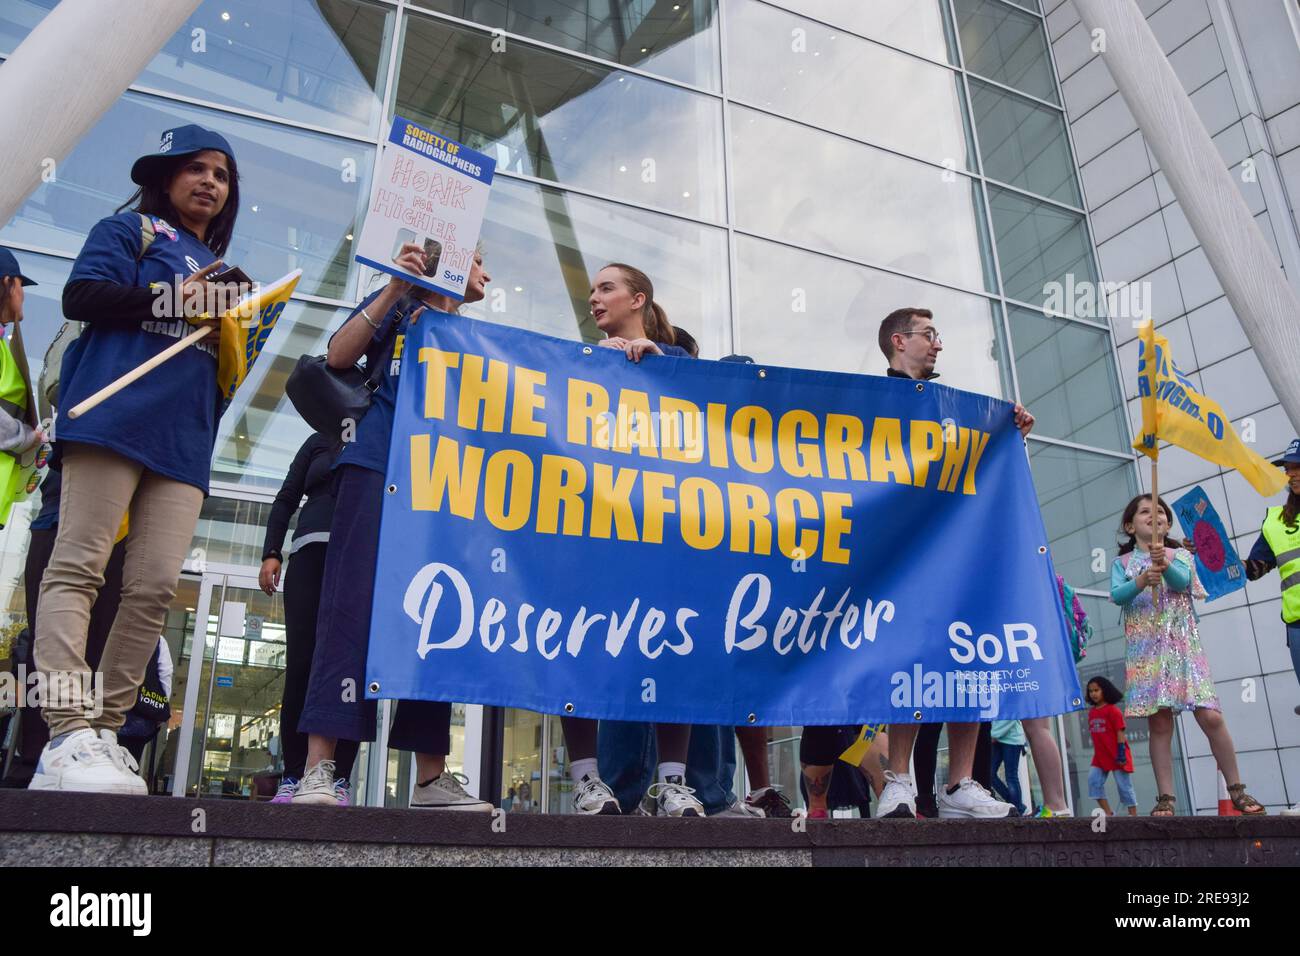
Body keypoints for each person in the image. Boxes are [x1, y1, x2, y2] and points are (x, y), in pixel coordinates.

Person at [30, 125, 240, 794]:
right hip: (113, 423)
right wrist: (173, 298)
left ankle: (109, 732)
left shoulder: (218, 267)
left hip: (182, 445)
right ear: (167, 175)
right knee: (78, 568)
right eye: (198, 169)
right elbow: (82, 297)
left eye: (223, 175)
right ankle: (65, 731)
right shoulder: (132, 233)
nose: (211, 182)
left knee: (151, 588)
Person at [294, 244, 492, 810]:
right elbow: (336, 357)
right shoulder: (399, 309)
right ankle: (319, 768)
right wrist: (396, 285)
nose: (487, 274)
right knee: (350, 607)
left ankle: (430, 778)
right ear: (448, 262)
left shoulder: (482, 339)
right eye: (478, 260)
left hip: (445, 482)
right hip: (378, 462)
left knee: (440, 613)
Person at [873, 307, 1033, 820]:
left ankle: (961, 783)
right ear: (899, 341)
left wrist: (1009, 436)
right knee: (910, 663)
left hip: (960, 556)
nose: (938, 344)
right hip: (906, 557)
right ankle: (899, 781)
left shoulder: (954, 408)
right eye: (929, 335)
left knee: (972, 657)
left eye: (938, 336)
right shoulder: (872, 402)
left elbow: (977, 466)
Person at [563, 263, 704, 817]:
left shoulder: (678, 363)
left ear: (637, 298)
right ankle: (586, 780)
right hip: (595, 527)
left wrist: (659, 359)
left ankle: (673, 782)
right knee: (575, 641)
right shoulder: (576, 363)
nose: (593, 298)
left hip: (661, 530)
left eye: (606, 288)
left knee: (671, 641)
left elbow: (712, 403)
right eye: (592, 290)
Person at [1109, 493, 1264, 815]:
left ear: (1168, 524)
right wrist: (1139, 580)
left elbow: (1181, 583)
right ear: (1129, 525)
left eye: (1161, 513)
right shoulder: (1121, 564)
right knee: (1160, 724)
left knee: (1210, 715)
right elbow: (1117, 596)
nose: (1155, 516)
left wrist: (1162, 564)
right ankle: (1166, 797)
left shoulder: (1180, 555)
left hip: (1183, 649)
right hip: (1146, 654)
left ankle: (1237, 788)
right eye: (1145, 512)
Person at [258, 431, 356, 805]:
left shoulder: (381, 433)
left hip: (356, 556)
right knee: (302, 664)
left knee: (348, 667)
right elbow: (286, 498)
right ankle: (293, 773)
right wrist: (271, 552)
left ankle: (340, 776)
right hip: (308, 555)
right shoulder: (319, 441)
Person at [1243, 438, 1300, 816]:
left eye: (1297, 467)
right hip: (1297, 626)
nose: (1291, 474)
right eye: (1288, 469)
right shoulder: (1276, 521)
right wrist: (1210, 552)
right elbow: (1253, 570)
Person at [1085, 676, 1136, 816]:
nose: (1093, 694)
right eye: (1090, 691)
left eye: (1096, 690)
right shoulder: (1092, 713)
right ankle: (1108, 813)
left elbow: (1120, 732)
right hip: (1101, 756)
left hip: (1117, 754)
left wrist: (1121, 752)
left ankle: (1133, 815)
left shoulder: (1113, 711)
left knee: (1124, 787)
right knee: (1093, 781)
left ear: (1104, 690)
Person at [988, 719, 1026, 816]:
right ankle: (1015, 804)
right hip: (997, 739)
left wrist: (993, 734)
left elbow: (1011, 717)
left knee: (1011, 777)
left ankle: (1017, 808)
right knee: (990, 774)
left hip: (1012, 740)